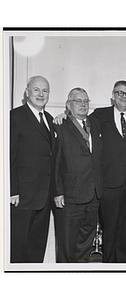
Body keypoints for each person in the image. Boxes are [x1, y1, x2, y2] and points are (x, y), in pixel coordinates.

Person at [90, 80, 126, 263]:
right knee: (110, 225)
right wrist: (62, 117)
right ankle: (109, 265)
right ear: (113, 95)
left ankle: (122, 264)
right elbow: (81, 125)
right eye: (120, 93)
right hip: (109, 180)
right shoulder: (99, 115)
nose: (124, 97)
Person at [53, 87, 103, 263]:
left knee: (85, 242)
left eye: (86, 101)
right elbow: (56, 163)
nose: (83, 104)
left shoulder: (95, 123)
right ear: (68, 105)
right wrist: (58, 192)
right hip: (70, 196)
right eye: (78, 101)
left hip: (93, 194)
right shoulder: (60, 126)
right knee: (67, 244)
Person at [10, 75, 55, 263]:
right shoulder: (15, 116)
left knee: (37, 248)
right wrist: (12, 191)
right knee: (18, 248)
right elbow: (8, 157)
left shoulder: (50, 119)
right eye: (36, 89)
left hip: (43, 197)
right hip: (22, 197)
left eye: (45, 90)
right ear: (27, 92)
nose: (41, 94)